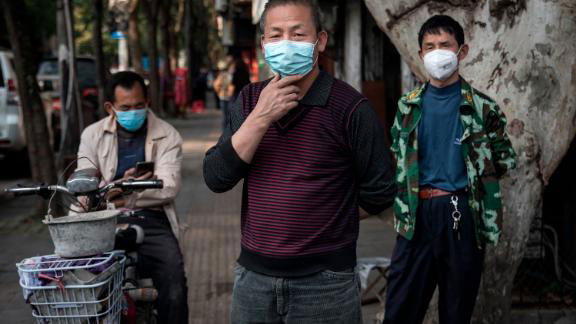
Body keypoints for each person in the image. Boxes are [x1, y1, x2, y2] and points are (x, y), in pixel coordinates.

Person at [203, 1, 396, 323]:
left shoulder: (351, 108)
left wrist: (324, 218)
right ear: (263, 44)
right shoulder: (250, 100)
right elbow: (216, 178)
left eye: (298, 33)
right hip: (253, 279)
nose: (286, 43)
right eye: (276, 35)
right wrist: (261, 117)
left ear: (319, 41)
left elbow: (380, 189)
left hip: (326, 283)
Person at [384, 15, 517, 324]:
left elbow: (504, 160)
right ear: (420, 55)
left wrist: (472, 173)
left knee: (456, 310)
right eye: (429, 46)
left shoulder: (484, 108)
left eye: (445, 45)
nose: (437, 52)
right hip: (415, 215)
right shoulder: (407, 107)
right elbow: (396, 155)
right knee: (400, 308)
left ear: (462, 51)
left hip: (462, 213)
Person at [76, 71, 189, 324]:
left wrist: (116, 193)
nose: (134, 112)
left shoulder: (168, 134)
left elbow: (168, 187)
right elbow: (84, 185)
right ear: (110, 107)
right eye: (125, 107)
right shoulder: (91, 135)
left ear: (147, 102)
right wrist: (122, 187)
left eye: (139, 105)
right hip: (102, 219)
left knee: (174, 280)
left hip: (152, 219)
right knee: (82, 287)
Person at [213, 61, 235, 129]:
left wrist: (219, 92)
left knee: (224, 115)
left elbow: (216, 85)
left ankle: (225, 130)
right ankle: (229, 129)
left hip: (223, 97)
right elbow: (232, 85)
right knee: (230, 115)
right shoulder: (230, 75)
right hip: (230, 97)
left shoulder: (220, 75)